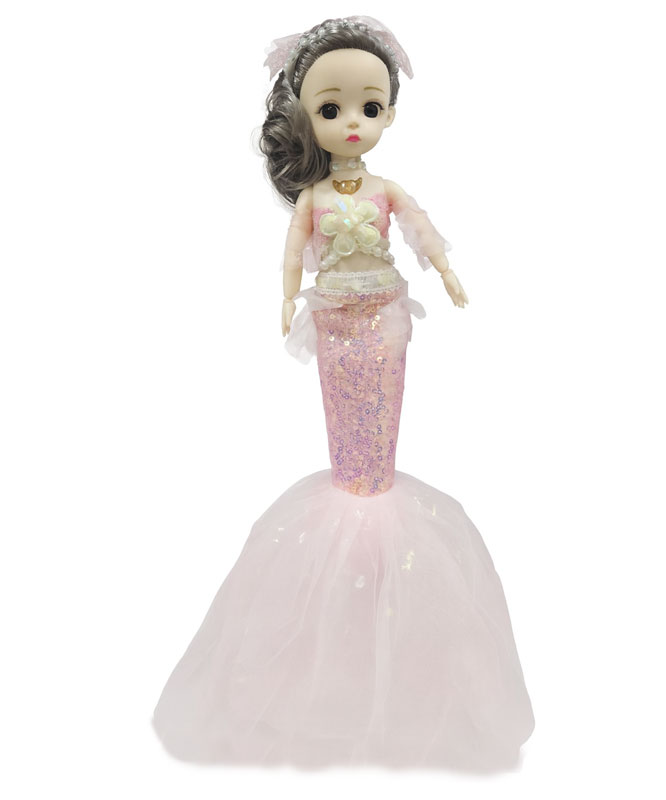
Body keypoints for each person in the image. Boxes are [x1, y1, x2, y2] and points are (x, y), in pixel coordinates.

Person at [152, 16, 534, 772]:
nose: (353, 122)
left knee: (378, 452)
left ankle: (384, 587)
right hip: (334, 323)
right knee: (348, 457)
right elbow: (293, 253)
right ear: (306, 116)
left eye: (370, 106)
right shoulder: (315, 196)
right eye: (331, 108)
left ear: (389, 112)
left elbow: (421, 232)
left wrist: (447, 273)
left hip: (385, 319)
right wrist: (285, 300)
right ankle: (346, 589)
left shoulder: (386, 189)